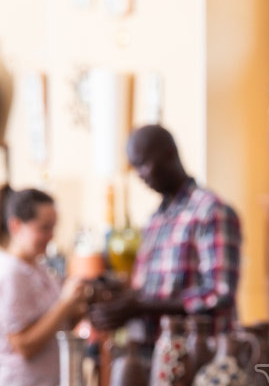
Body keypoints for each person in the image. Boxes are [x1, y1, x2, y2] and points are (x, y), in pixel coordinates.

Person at [88, 124, 241, 336]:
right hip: (155, 353)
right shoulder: (154, 221)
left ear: (169, 154)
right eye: (135, 167)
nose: (140, 175)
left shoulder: (210, 211)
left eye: (143, 164)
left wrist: (140, 308)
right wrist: (117, 301)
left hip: (201, 355)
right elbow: (147, 291)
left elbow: (219, 294)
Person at [0, 187, 87, 386]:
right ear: (16, 226)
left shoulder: (37, 269)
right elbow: (24, 345)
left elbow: (55, 325)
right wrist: (65, 303)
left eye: (52, 228)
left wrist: (81, 304)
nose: (51, 236)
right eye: (44, 228)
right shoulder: (10, 275)